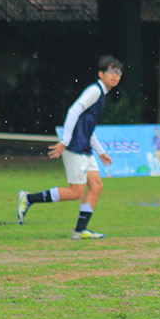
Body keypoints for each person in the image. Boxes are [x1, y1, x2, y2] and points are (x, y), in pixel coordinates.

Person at [17, 55, 123, 239]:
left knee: (96, 186)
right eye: (112, 71)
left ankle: (80, 230)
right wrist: (65, 141)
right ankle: (28, 199)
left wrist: (101, 152)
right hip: (75, 147)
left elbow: (88, 128)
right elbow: (73, 111)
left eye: (119, 73)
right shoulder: (95, 91)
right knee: (76, 192)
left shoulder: (101, 95)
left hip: (85, 148)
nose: (116, 75)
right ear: (101, 74)